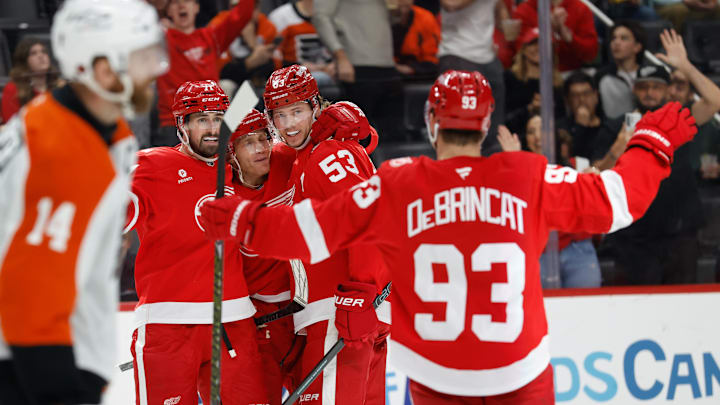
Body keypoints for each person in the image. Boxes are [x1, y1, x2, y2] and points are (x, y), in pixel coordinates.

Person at [200, 69, 697, 404]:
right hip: (520, 372)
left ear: (430, 121)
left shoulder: (397, 182)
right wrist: (651, 144)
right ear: (486, 123)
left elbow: (311, 231)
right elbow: (618, 200)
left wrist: (241, 222)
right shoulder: (527, 176)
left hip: (437, 378)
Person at [0, 0, 167, 403]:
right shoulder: (59, 151)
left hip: (65, 349)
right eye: (143, 58)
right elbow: (29, 294)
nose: (157, 70)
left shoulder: (107, 131)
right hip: (28, 364)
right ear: (104, 69)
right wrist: (59, 389)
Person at [125, 80, 268, 404]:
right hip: (168, 324)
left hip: (233, 322)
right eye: (201, 119)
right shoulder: (151, 165)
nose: (212, 128)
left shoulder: (234, 168)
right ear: (181, 125)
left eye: (218, 118)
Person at [262, 64, 389, 404]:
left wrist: (359, 295)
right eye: (280, 115)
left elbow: (369, 221)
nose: (289, 125)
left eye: (297, 111)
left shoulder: (327, 154)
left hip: (341, 313)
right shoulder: (314, 154)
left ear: (316, 107)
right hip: (352, 312)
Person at [603, 29, 720, 286]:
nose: (649, 93)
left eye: (656, 87)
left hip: (680, 233)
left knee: (683, 313)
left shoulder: (677, 119)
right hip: (635, 238)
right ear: (634, 90)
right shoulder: (616, 126)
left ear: (668, 91)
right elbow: (597, 173)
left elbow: (714, 100)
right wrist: (617, 148)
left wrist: (686, 66)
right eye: (643, 87)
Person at [227, 108, 304, 404]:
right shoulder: (222, 193)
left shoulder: (285, 158)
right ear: (231, 152)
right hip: (258, 320)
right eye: (249, 142)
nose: (261, 149)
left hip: (306, 312)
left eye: (264, 138)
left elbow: (350, 145)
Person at [153, 0, 254, 147]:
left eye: (187, 1)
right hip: (174, 123)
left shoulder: (211, 37)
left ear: (196, 7)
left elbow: (242, 15)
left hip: (212, 120)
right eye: (175, 2)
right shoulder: (160, 40)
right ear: (167, 11)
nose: (182, 6)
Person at [313, 0, 405, 142]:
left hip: (386, 64)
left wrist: (398, 12)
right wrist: (340, 56)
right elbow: (320, 17)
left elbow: (385, 20)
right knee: (359, 135)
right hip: (355, 64)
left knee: (394, 134)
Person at [512, 0, 598, 72]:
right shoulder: (524, 10)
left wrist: (570, 38)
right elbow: (519, 51)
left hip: (570, 74)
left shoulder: (580, 8)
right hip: (533, 75)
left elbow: (591, 54)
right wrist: (549, 30)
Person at [269, 0, 336, 85]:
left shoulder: (337, 14)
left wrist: (338, 64)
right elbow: (273, 59)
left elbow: (349, 48)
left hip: (333, 71)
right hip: (295, 76)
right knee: (319, 78)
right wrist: (299, 68)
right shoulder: (280, 17)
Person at [1, 37, 61, 123]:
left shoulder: (60, 85)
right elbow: (12, 126)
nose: (41, 56)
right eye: (33, 53)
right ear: (24, 61)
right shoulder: (13, 89)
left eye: (43, 52)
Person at [595, 21, 647, 119]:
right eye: (613, 38)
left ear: (637, 47)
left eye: (624, 38)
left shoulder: (648, 75)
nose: (616, 42)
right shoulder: (601, 76)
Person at [391, 0, 440, 80]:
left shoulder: (425, 18)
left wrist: (412, 68)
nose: (402, 1)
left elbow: (432, 59)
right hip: (388, 69)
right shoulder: (380, 19)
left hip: (419, 71)